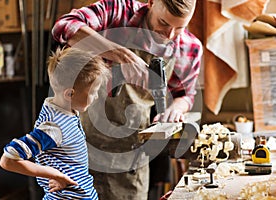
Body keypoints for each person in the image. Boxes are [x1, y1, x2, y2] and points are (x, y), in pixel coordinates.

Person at [52, 0, 203, 199]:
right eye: (164, 23)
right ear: (151, 3)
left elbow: (185, 94)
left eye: (180, 28)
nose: (169, 35)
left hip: (129, 162)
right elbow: (65, 26)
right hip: (79, 153)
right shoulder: (118, 12)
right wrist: (119, 54)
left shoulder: (189, 47)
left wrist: (176, 108)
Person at [0, 46, 110, 199]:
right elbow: (8, 160)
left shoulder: (66, 110)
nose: (96, 96)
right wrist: (54, 175)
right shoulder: (54, 127)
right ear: (69, 94)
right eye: (93, 92)